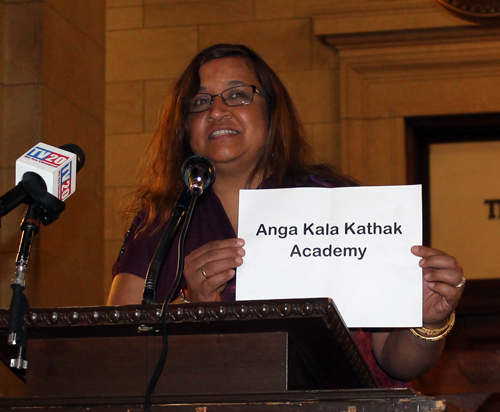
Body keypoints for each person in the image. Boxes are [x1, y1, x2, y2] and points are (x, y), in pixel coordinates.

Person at [108, 43, 465, 386]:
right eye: (200, 102)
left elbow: (396, 361)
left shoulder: (339, 205)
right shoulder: (160, 221)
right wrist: (191, 305)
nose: (216, 111)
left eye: (238, 95)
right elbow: (118, 355)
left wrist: (429, 321)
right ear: (185, 126)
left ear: (271, 110)